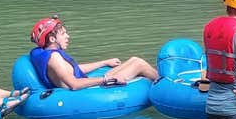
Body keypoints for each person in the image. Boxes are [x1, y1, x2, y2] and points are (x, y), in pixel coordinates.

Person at [29, 15, 158, 90]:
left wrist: (104, 62)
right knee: (139, 64)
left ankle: (161, 79)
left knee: (134, 59)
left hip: (88, 84)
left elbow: (73, 70)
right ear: (52, 39)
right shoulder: (54, 58)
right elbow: (74, 84)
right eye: (63, 34)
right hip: (88, 91)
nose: (68, 36)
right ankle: (168, 84)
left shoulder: (45, 53)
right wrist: (106, 79)